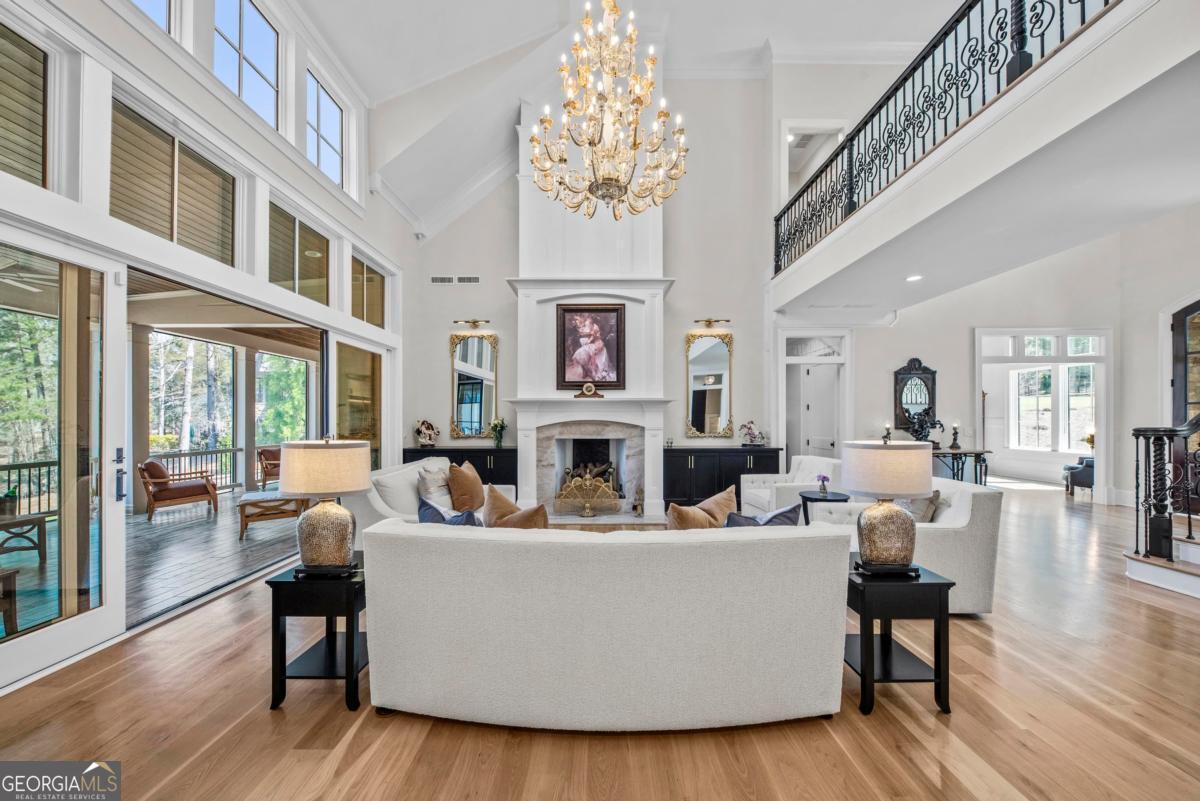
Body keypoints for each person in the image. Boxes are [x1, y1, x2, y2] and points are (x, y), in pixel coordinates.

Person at [568, 313, 613, 381]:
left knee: (586, 355)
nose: (588, 322)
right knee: (579, 356)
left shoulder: (594, 327)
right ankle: (585, 371)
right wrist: (584, 334)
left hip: (596, 344)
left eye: (589, 321)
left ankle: (594, 373)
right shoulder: (585, 326)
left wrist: (589, 339)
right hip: (590, 344)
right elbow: (585, 333)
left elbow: (594, 336)